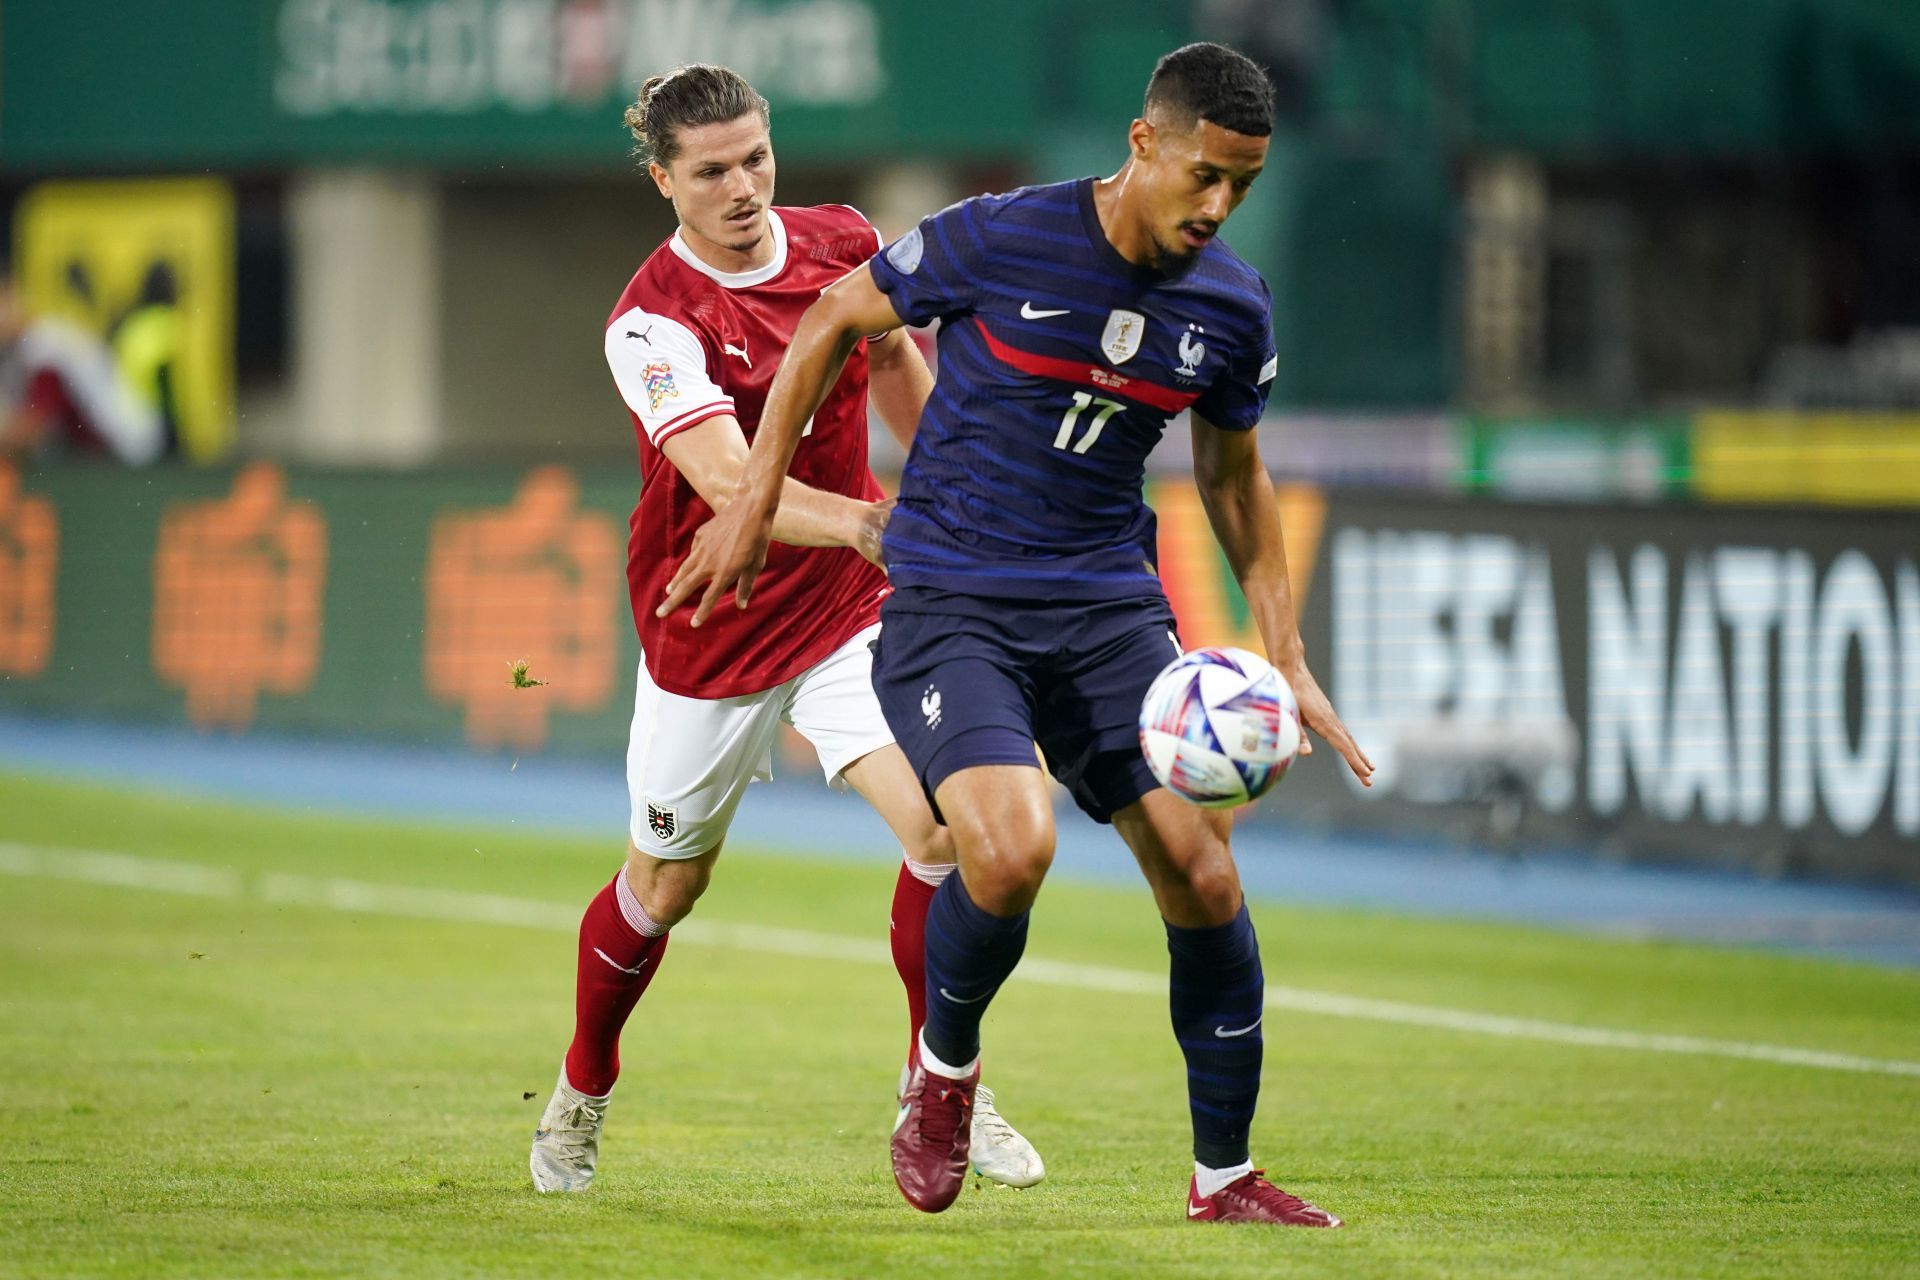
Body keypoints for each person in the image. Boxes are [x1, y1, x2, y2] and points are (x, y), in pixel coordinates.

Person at [660, 43, 1375, 1226]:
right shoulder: (1001, 234)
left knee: (1203, 868)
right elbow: (837, 316)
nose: (1217, 207)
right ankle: (940, 1080)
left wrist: (1284, 651)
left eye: (1241, 188)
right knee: (1009, 848)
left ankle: (1225, 1177)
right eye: (1203, 175)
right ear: (1144, 142)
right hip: (954, 598)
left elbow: (1235, 476)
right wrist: (751, 500)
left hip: (1106, 608)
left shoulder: (1232, 305)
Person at [528, 64, 1043, 1195]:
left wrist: (954, 489)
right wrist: (873, 520)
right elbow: (723, 482)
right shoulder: (651, 320)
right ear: (665, 179)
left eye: (755, 156)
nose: (743, 186)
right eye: (711, 170)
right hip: (709, 630)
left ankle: (938, 1079)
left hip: (847, 615)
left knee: (950, 832)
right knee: (665, 886)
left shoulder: (843, 241)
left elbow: (900, 357)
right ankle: (582, 1086)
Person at [0, 268, 164, 466]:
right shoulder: (27, 345)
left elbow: (29, 433)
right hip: (113, 451)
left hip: (128, 454)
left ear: (13, 299)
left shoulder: (45, 344)